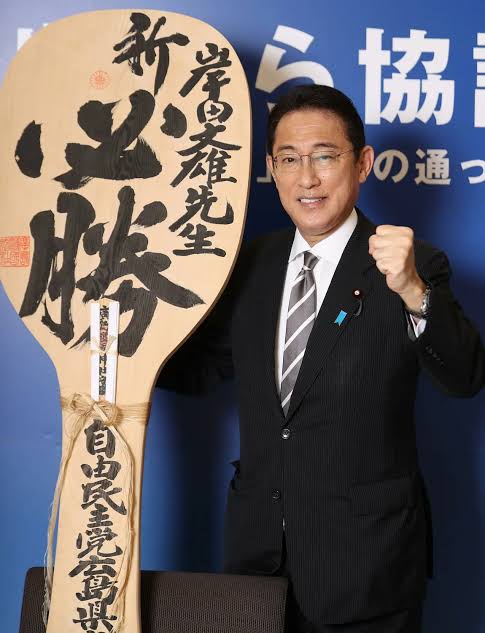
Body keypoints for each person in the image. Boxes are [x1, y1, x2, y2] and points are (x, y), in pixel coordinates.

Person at [158, 84, 485, 633]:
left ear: (362, 164)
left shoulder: (412, 264)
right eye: (289, 159)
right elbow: (202, 368)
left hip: (367, 570)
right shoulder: (249, 263)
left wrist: (413, 291)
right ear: (271, 168)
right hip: (256, 568)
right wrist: (111, 349)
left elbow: (465, 375)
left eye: (325, 157)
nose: (307, 179)